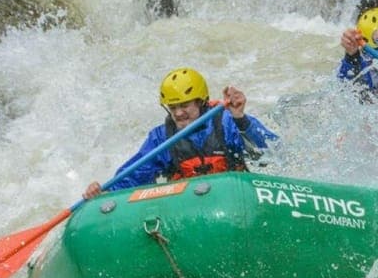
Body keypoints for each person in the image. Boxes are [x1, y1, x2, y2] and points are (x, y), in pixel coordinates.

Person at [83, 67, 278, 199]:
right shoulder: (162, 137)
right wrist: (103, 193)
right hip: (189, 206)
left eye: (184, 105)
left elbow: (270, 153)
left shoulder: (227, 122)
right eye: (173, 107)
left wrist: (240, 119)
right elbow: (133, 176)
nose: (178, 113)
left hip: (235, 197)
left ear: (201, 102)